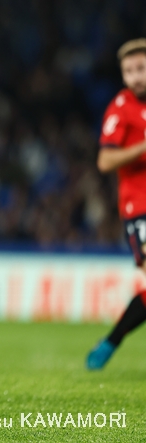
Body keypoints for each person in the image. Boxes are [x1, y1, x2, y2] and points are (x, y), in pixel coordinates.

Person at [87, 38, 146, 369]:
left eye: (140, 69)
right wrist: (142, 146)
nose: (135, 76)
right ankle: (111, 342)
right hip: (140, 207)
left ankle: (111, 341)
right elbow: (105, 160)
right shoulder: (121, 107)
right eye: (129, 71)